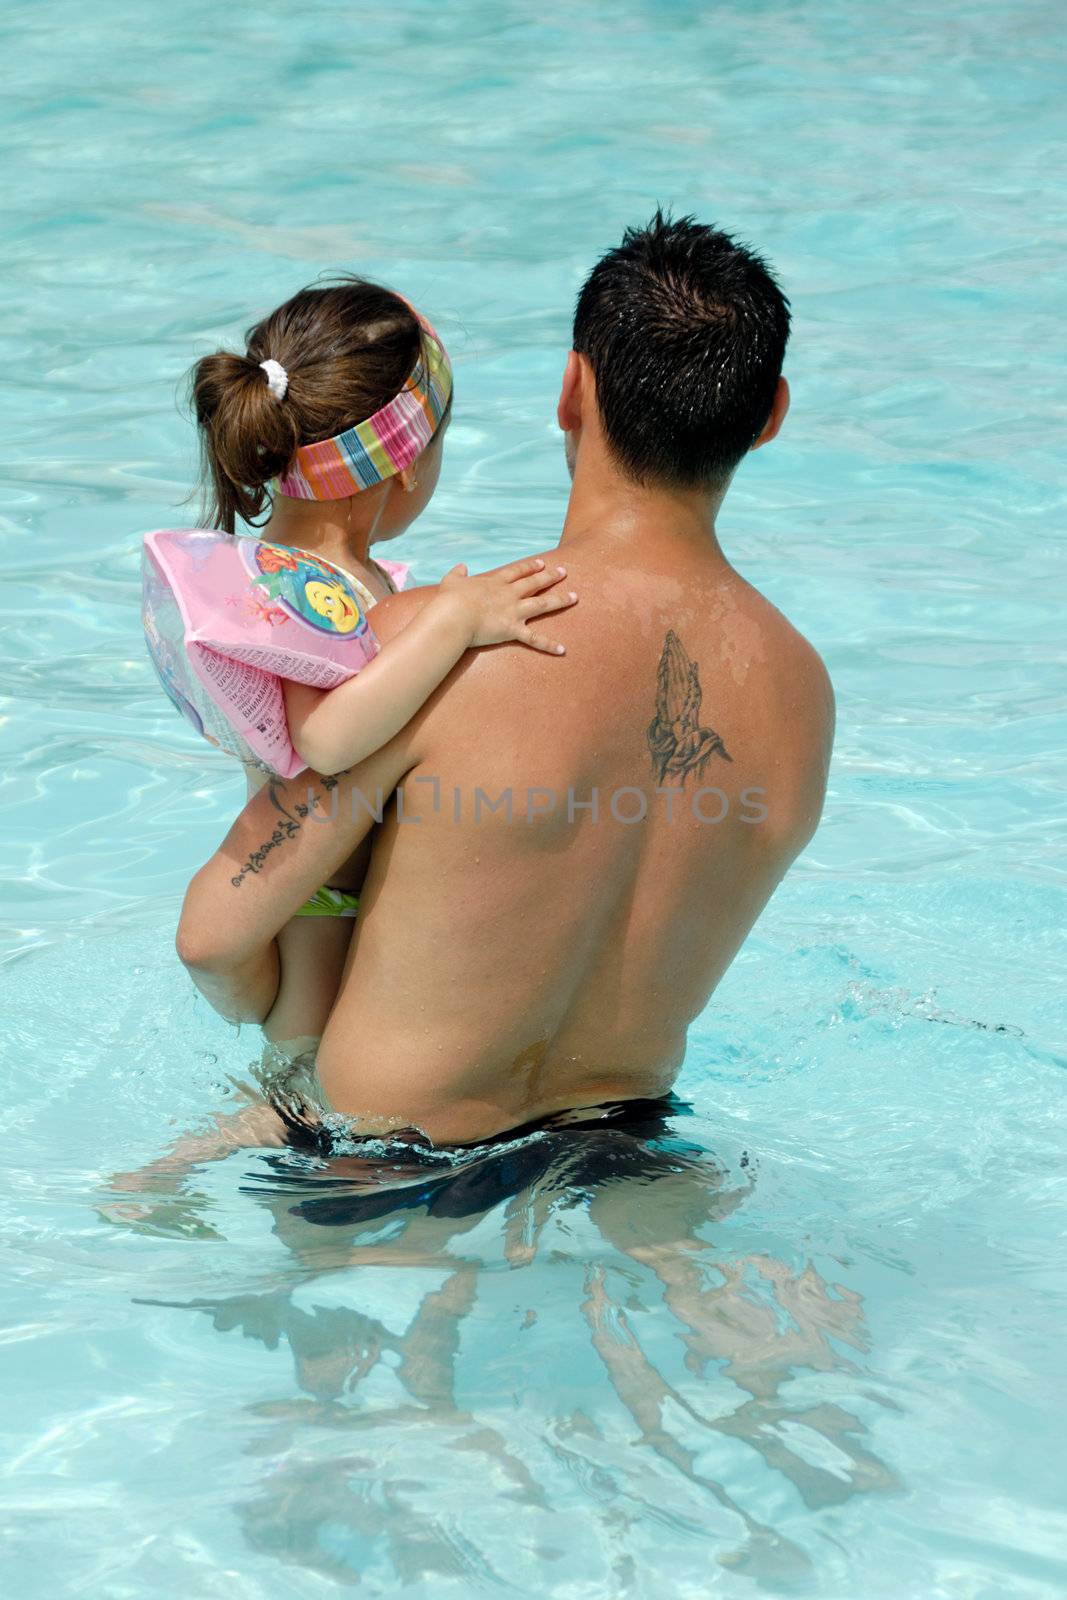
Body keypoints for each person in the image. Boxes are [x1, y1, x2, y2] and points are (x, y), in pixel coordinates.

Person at [175, 212, 834, 1148]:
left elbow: (217, 932)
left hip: (382, 1163)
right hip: (631, 1145)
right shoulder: (804, 699)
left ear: (570, 392)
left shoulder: (429, 650)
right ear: (770, 414)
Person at [182, 279, 576, 1050]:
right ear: (402, 464)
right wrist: (453, 623)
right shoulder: (301, 586)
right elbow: (326, 740)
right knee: (303, 1094)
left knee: (300, 1090)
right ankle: (168, 1170)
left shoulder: (308, 574)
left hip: (322, 888)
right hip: (318, 899)